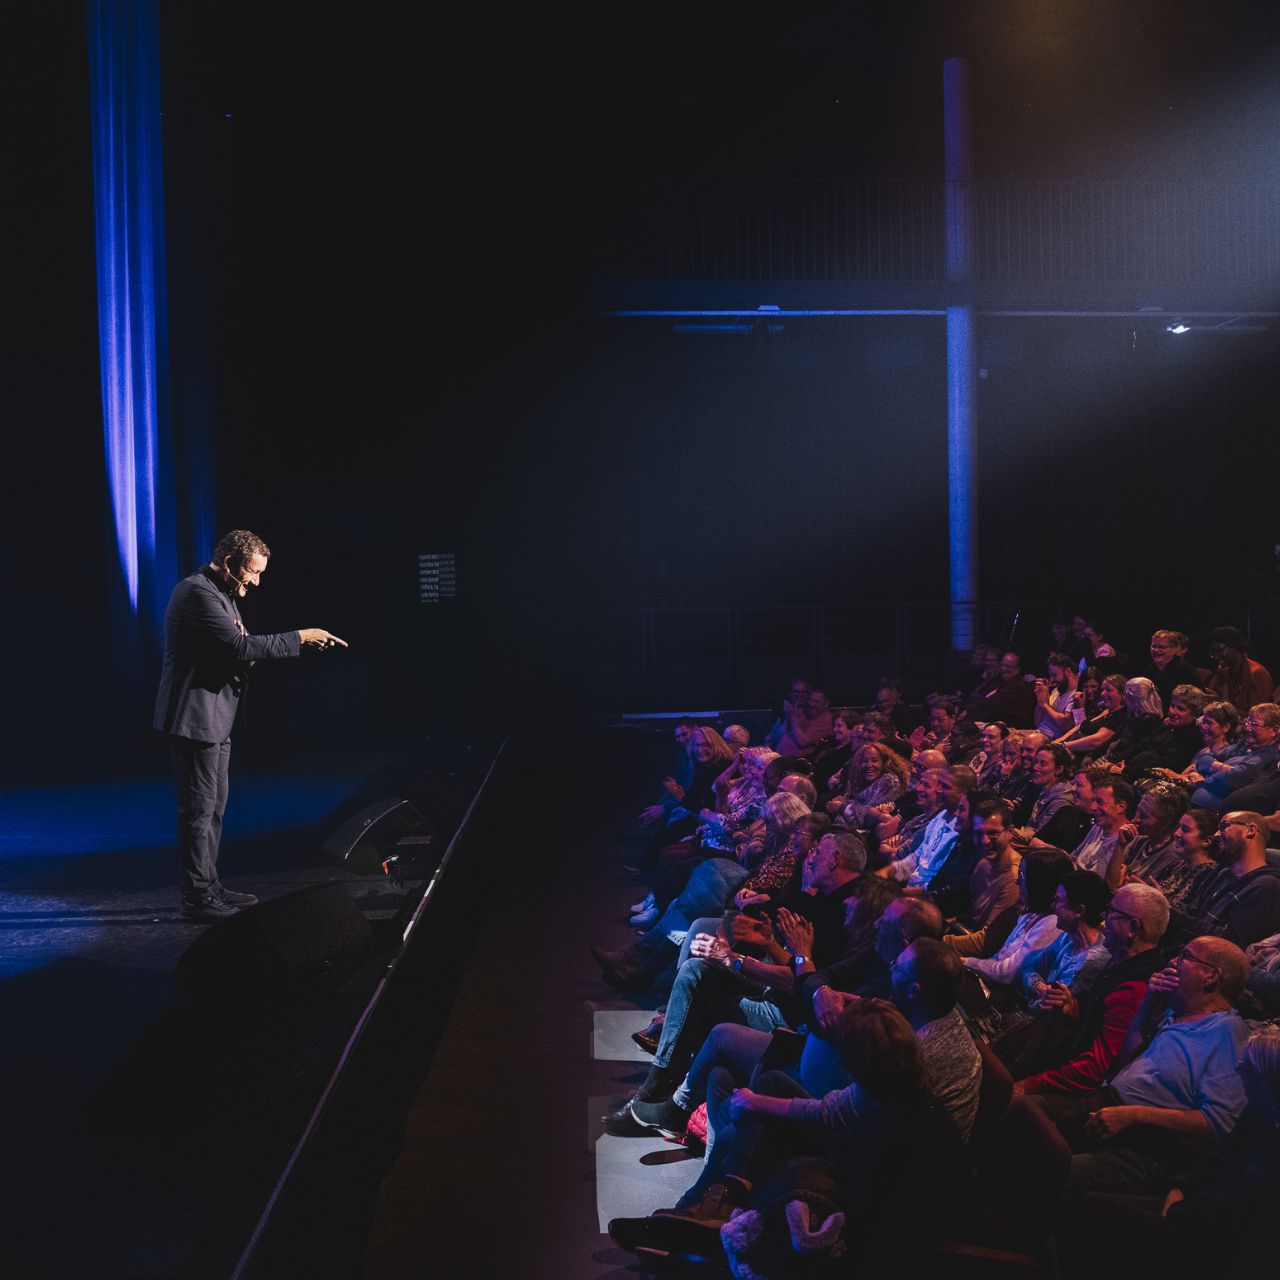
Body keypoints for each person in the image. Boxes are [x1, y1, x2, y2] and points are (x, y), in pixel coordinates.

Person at [154, 529, 347, 921]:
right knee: (198, 812)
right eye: (252, 573)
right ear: (230, 563)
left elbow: (238, 648)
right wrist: (301, 637)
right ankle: (197, 898)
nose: (255, 582)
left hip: (215, 718)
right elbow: (241, 647)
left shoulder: (221, 593)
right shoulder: (196, 593)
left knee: (215, 810)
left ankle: (210, 886)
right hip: (195, 719)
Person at [1205, 626, 1274, 713]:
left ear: (1234, 647)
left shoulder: (1257, 672)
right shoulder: (1222, 670)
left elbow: (1260, 714)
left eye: (1219, 650)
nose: (1215, 657)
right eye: (1212, 653)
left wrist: (1222, 704)